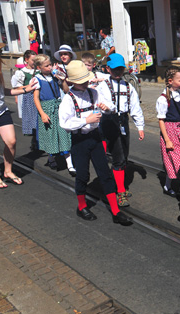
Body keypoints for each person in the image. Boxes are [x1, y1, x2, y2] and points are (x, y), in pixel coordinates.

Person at [58, 60, 132, 225]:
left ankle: (115, 211)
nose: (86, 83)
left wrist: (107, 109)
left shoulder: (94, 92)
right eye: (81, 81)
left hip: (96, 138)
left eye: (86, 80)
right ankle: (82, 206)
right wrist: (86, 119)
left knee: (105, 174)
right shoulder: (68, 99)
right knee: (83, 175)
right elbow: (64, 123)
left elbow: (111, 106)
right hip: (79, 141)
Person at [0, 36, 36, 188]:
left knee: (11, 141)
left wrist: (24, 89)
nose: (0, 54)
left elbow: (1, 91)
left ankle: (7, 170)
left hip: (1, 111)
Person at [97, 53, 144, 207]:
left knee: (124, 155)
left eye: (120, 69)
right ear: (108, 69)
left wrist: (140, 126)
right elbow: (102, 101)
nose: (118, 72)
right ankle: (120, 191)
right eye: (114, 69)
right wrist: (105, 107)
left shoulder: (128, 86)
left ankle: (119, 185)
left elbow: (135, 107)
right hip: (109, 121)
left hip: (123, 120)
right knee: (117, 157)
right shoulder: (103, 86)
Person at [33, 54, 75, 176]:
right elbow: (36, 98)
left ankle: (70, 164)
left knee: (64, 134)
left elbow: (66, 90)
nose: (50, 67)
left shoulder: (55, 76)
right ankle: (51, 158)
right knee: (51, 135)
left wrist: (62, 80)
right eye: (47, 66)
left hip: (58, 107)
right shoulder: (37, 79)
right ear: (39, 67)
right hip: (47, 109)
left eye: (50, 64)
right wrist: (42, 114)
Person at [156, 66, 180, 196]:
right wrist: (167, 140)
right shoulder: (163, 99)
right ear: (170, 81)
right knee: (174, 161)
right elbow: (161, 120)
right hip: (170, 133)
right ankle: (169, 186)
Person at [14, 50, 38, 148]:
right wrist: (29, 87)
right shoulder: (21, 73)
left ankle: (40, 139)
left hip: (39, 98)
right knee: (32, 121)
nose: (35, 62)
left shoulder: (39, 70)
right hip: (29, 99)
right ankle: (35, 140)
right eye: (33, 60)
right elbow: (17, 88)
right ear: (26, 60)